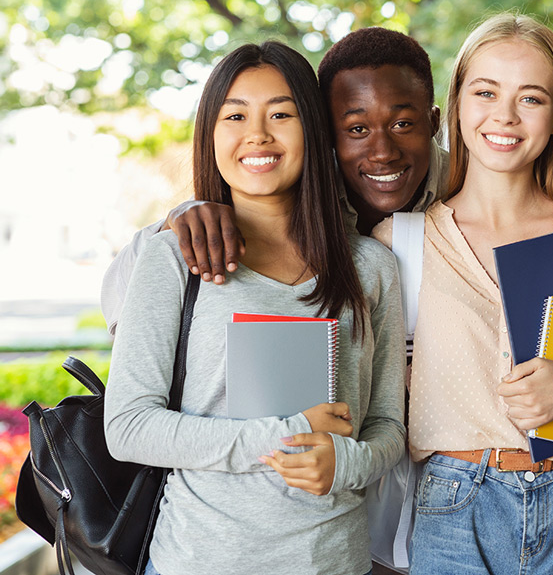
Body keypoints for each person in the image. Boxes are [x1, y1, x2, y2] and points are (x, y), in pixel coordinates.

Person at [103, 41, 405, 575]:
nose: (258, 133)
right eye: (235, 115)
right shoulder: (174, 256)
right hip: (200, 559)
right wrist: (284, 434)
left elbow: (387, 425)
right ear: (211, 133)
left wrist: (347, 461)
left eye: (281, 114)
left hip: (334, 561)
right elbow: (128, 426)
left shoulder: (371, 267)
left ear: (312, 129)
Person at [371, 13, 553, 574]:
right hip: (454, 507)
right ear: (456, 106)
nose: (504, 116)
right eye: (485, 92)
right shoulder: (401, 242)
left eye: (531, 98)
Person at [100, 27, 447, 334]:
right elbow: (121, 307)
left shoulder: (467, 188)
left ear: (433, 123)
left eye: (402, 124)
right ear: (324, 132)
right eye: (356, 129)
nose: (383, 152)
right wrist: (175, 223)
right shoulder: (288, 193)